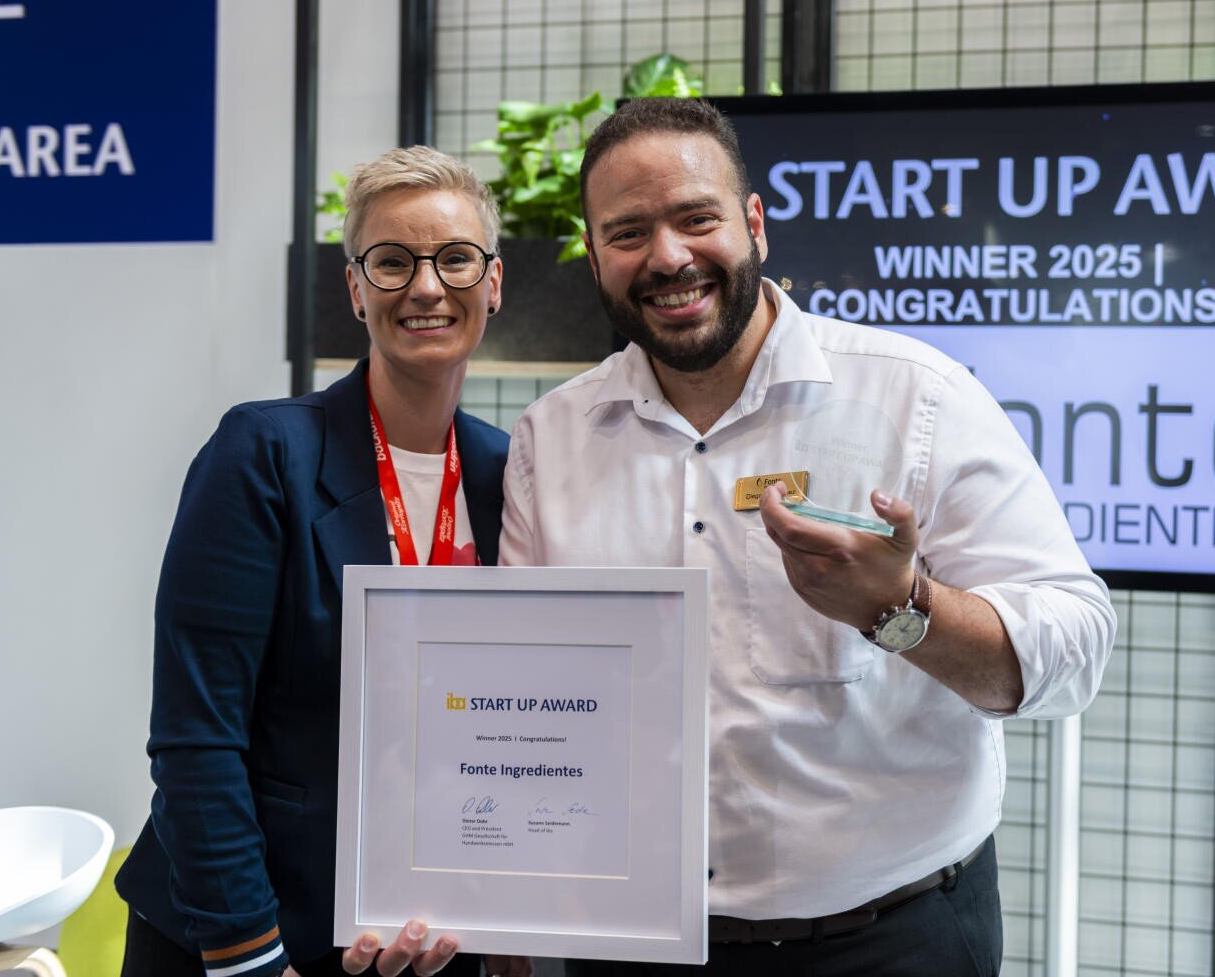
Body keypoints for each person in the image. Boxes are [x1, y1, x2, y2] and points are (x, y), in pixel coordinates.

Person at [497, 98, 1117, 975]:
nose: (668, 256)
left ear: (754, 224)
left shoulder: (918, 400)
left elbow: (1077, 653)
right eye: (628, 232)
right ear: (595, 257)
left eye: (695, 218)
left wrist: (903, 610)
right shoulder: (549, 439)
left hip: (892, 941)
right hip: (635, 942)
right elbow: (521, 691)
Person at [117, 147, 528, 977]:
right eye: (391, 262)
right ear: (354, 288)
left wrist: (513, 918)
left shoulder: (509, 471)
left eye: (454, 259)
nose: (425, 287)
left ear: (492, 282)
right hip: (253, 934)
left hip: (423, 940)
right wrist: (249, 956)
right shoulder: (264, 452)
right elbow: (197, 738)